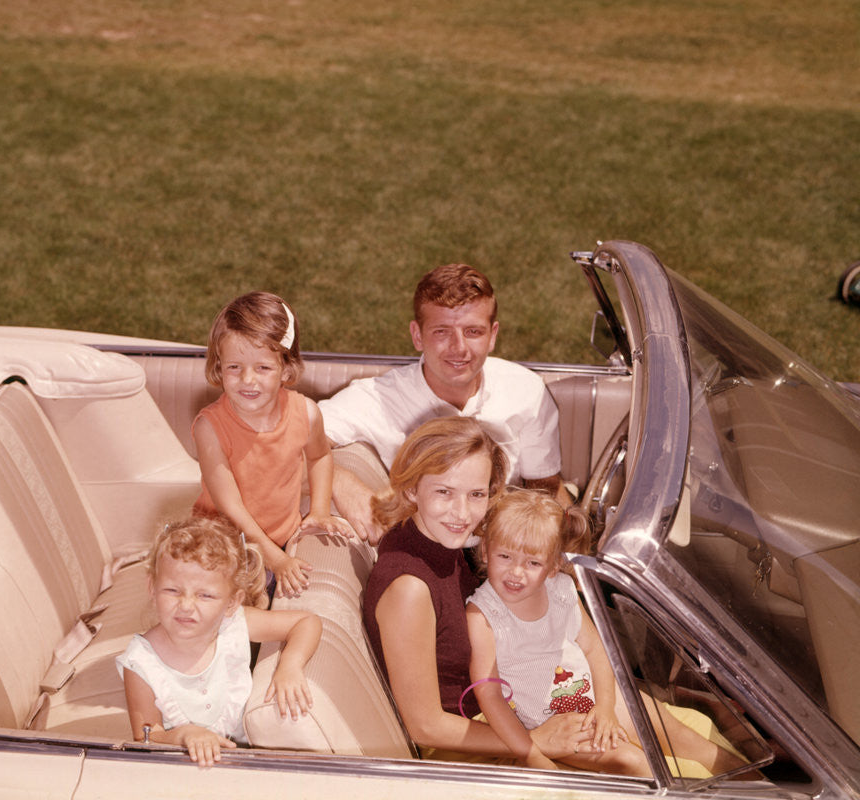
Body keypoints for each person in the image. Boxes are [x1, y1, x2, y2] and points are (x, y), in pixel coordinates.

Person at [466, 488, 748, 777]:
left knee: (681, 736)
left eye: (533, 563)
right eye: (505, 556)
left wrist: (606, 706)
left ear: (553, 566)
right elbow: (488, 693)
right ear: (486, 550)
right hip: (546, 721)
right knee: (635, 762)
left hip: (590, 696)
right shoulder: (483, 614)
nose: (516, 572)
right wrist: (532, 754)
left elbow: (595, 649)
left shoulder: (562, 591)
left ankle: (762, 788)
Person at [362, 417, 590, 763]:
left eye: (477, 494)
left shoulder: (431, 538)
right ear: (411, 489)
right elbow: (425, 726)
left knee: (638, 716)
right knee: (634, 758)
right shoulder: (409, 589)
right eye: (444, 492)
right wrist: (532, 741)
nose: (462, 513)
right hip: (469, 743)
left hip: (504, 696)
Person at [319, 263, 567, 543]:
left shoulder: (525, 390)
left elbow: (546, 489)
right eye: (441, 331)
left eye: (473, 332)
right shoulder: (376, 399)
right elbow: (282, 442)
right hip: (426, 551)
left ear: (493, 335)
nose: (459, 347)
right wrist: (342, 483)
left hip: (505, 548)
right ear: (417, 335)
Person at [116, 516, 322, 767]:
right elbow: (146, 737)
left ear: (232, 602)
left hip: (244, 758)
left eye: (205, 595)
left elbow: (307, 623)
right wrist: (186, 734)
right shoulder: (140, 663)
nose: (186, 606)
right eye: (173, 590)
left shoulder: (234, 623)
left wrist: (290, 665)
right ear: (152, 588)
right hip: (186, 768)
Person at [193, 291, 353, 598]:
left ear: (286, 369)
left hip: (280, 535)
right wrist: (276, 559)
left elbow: (320, 457)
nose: (248, 380)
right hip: (221, 543)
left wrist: (319, 510)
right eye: (234, 367)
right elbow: (231, 509)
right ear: (218, 367)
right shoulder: (210, 427)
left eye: (263, 368)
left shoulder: (305, 412)